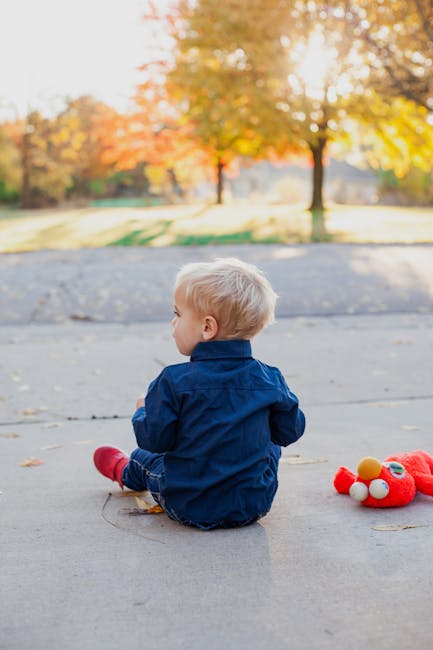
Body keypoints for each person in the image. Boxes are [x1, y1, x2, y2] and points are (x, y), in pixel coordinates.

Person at [93, 257, 305, 530]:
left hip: (188, 504)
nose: (173, 323)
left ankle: (127, 471)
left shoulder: (173, 381)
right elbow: (290, 432)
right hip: (253, 504)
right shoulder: (270, 378)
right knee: (269, 441)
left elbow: (154, 441)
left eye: (178, 314)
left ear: (207, 327)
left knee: (145, 458)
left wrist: (143, 411)